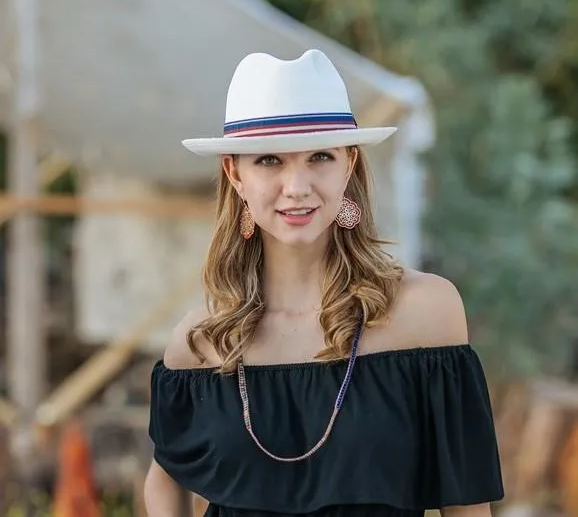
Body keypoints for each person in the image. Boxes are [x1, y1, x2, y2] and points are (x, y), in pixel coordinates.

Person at [144, 49, 504, 517]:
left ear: (349, 164)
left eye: (319, 156)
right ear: (235, 174)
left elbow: (467, 506)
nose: (297, 186)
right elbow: (164, 481)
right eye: (269, 160)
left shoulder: (427, 314)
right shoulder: (201, 343)